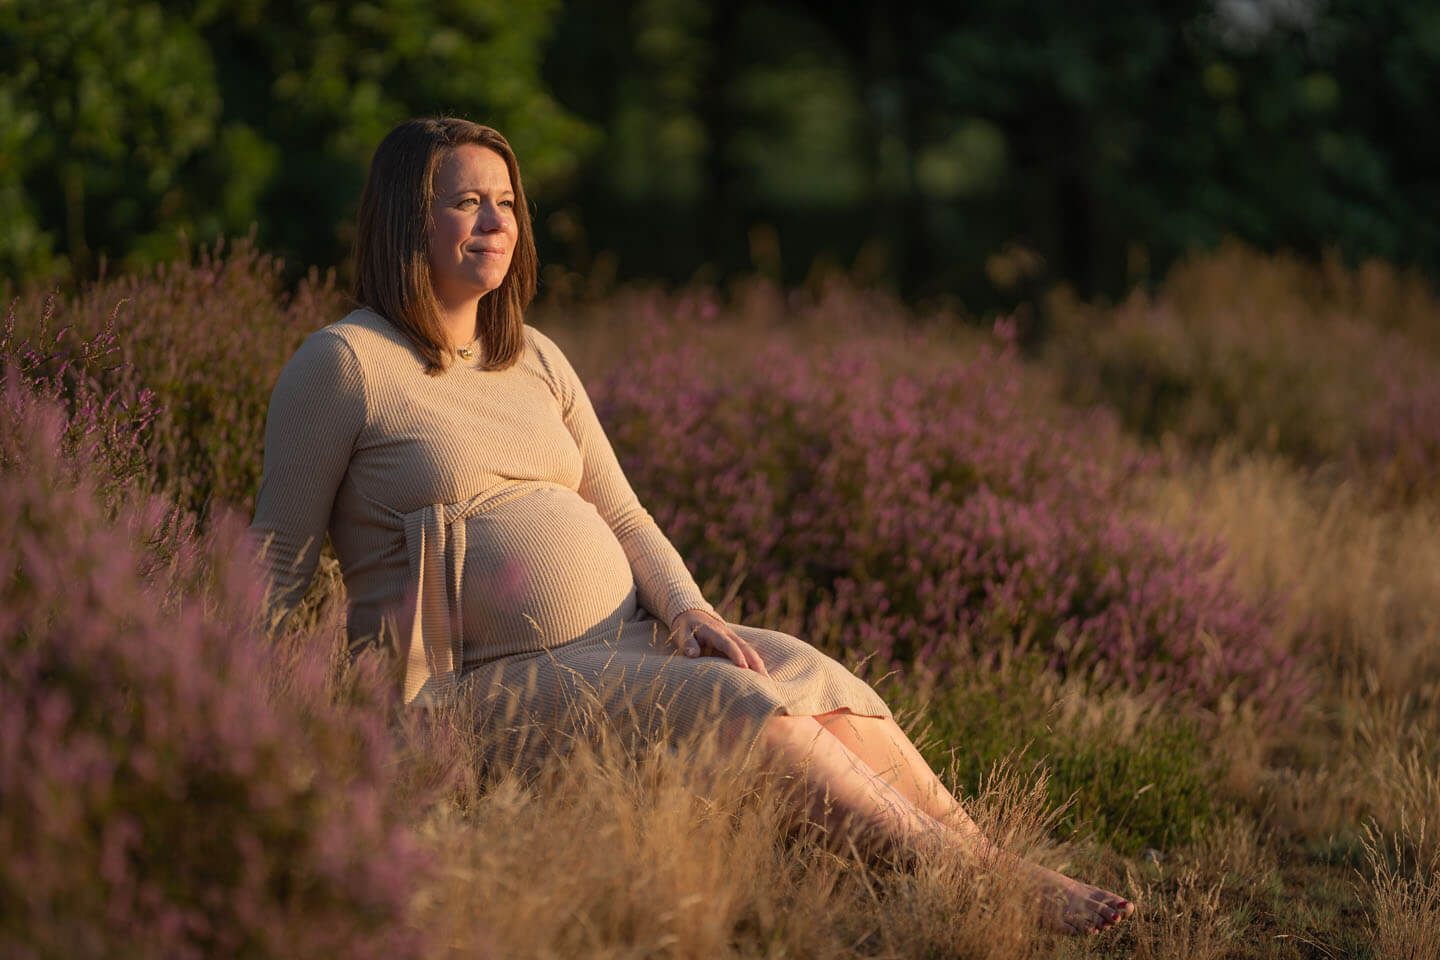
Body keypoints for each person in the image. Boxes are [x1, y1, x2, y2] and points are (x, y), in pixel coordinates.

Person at [247, 116, 1135, 936]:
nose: (496, 221)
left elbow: (621, 510)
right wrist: (275, 750)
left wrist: (688, 611)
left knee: (800, 668)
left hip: (621, 645)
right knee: (745, 705)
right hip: (466, 687)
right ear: (408, 218)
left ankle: (989, 858)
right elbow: (275, 570)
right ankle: (995, 890)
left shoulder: (533, 356)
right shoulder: (344, 364)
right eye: (467, 201)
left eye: (508, 202)